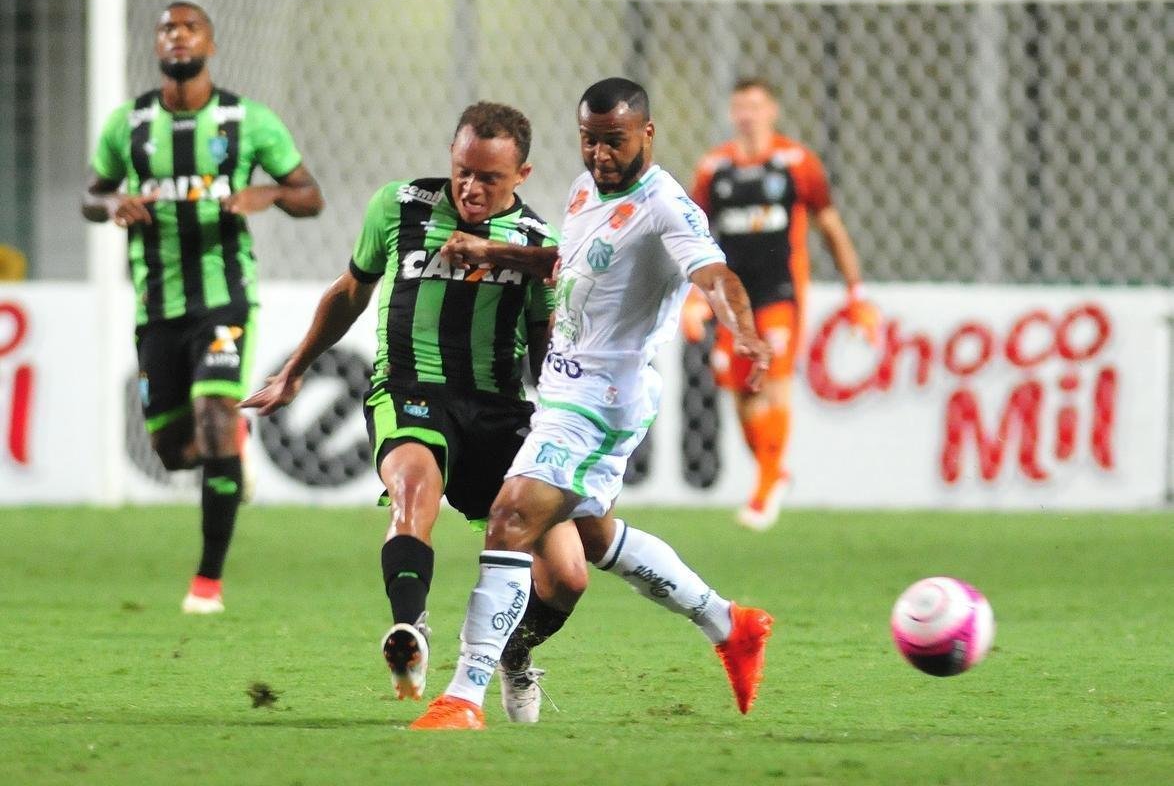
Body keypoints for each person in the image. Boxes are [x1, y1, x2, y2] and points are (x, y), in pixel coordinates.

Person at [411, 77, 776, 731]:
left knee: (511, 515)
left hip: (603, 403)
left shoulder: (666, 207)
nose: (602, 155)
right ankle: (728, 623)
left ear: (647, 134)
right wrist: (492, 248)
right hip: (562, 391)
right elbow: (567, 264)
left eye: (615, 142)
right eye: (590, 140)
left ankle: (463, 697)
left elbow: (714, 275)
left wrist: (742, 329)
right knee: (594, 536)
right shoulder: (587, 190)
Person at [241, 102, 588, 720]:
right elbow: (350, 292)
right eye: (462, 171)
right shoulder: (399, 205)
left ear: (523, 175)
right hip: (408, 387)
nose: (471, 187)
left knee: (567, 576)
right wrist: (294, 371)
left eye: (490, 178)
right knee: (413, 488)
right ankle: (412, 632)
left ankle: (513, 654)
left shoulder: (537, 246)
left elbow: (543, 348)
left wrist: (564, 421)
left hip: (498, 408)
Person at [82, 1, 324, 614]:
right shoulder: (127, 125)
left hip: (225, 297)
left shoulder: (249, 121)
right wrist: (112, 206)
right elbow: (92, 191)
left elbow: (309, 195)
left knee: (214, 411)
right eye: (168, 28)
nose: (178, 36)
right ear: (157, 45)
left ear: (210, 44)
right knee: (171, 450)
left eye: (190, 27)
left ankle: (207, 585)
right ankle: (230, 447)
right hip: (156, 305)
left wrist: (266, 193)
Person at [684, 77, 880, 530]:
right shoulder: (715, 168)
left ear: (772, 111)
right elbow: (692, 237)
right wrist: (693, 297)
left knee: (772, 377)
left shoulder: (796, 163)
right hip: (731, 297)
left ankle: (767, 484)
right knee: (742, 391)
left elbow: (830, 227)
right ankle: (774, 474)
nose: (747, 114)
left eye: (755, 105)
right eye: (740, 106)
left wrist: (856, 293)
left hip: (780, 294)